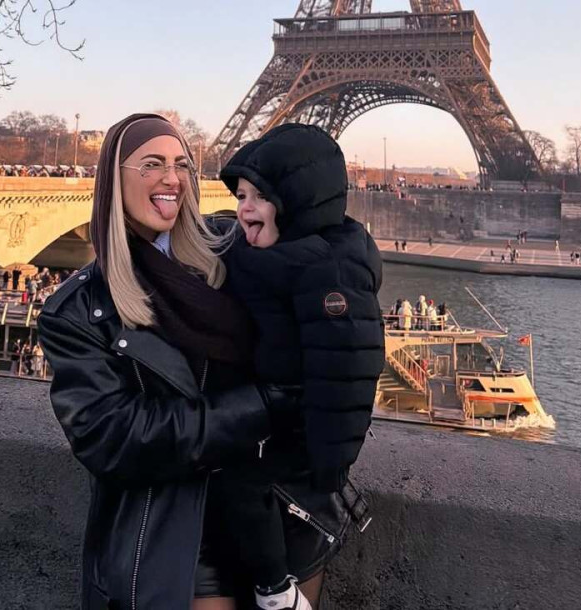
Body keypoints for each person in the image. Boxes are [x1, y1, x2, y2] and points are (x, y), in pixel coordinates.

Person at [38, 114, 366, 610]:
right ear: (113, 179)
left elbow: (330, 247)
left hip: (283, 514)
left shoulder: (232, 244)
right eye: (151, 164)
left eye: (181, 165)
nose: (171, 178)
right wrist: (263, 405)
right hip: (182, 537)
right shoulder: (78, 311)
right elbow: (114, 437)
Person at [218, 124, 383, 609]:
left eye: (260, 196)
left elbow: (347, 373)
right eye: (241, 196)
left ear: (298, 201)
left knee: (240, 483)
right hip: (273, 419)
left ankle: (276, 593)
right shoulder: (271, 259)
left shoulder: (328, 271)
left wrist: (329, 466)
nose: (245, 208)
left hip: (303, 439)